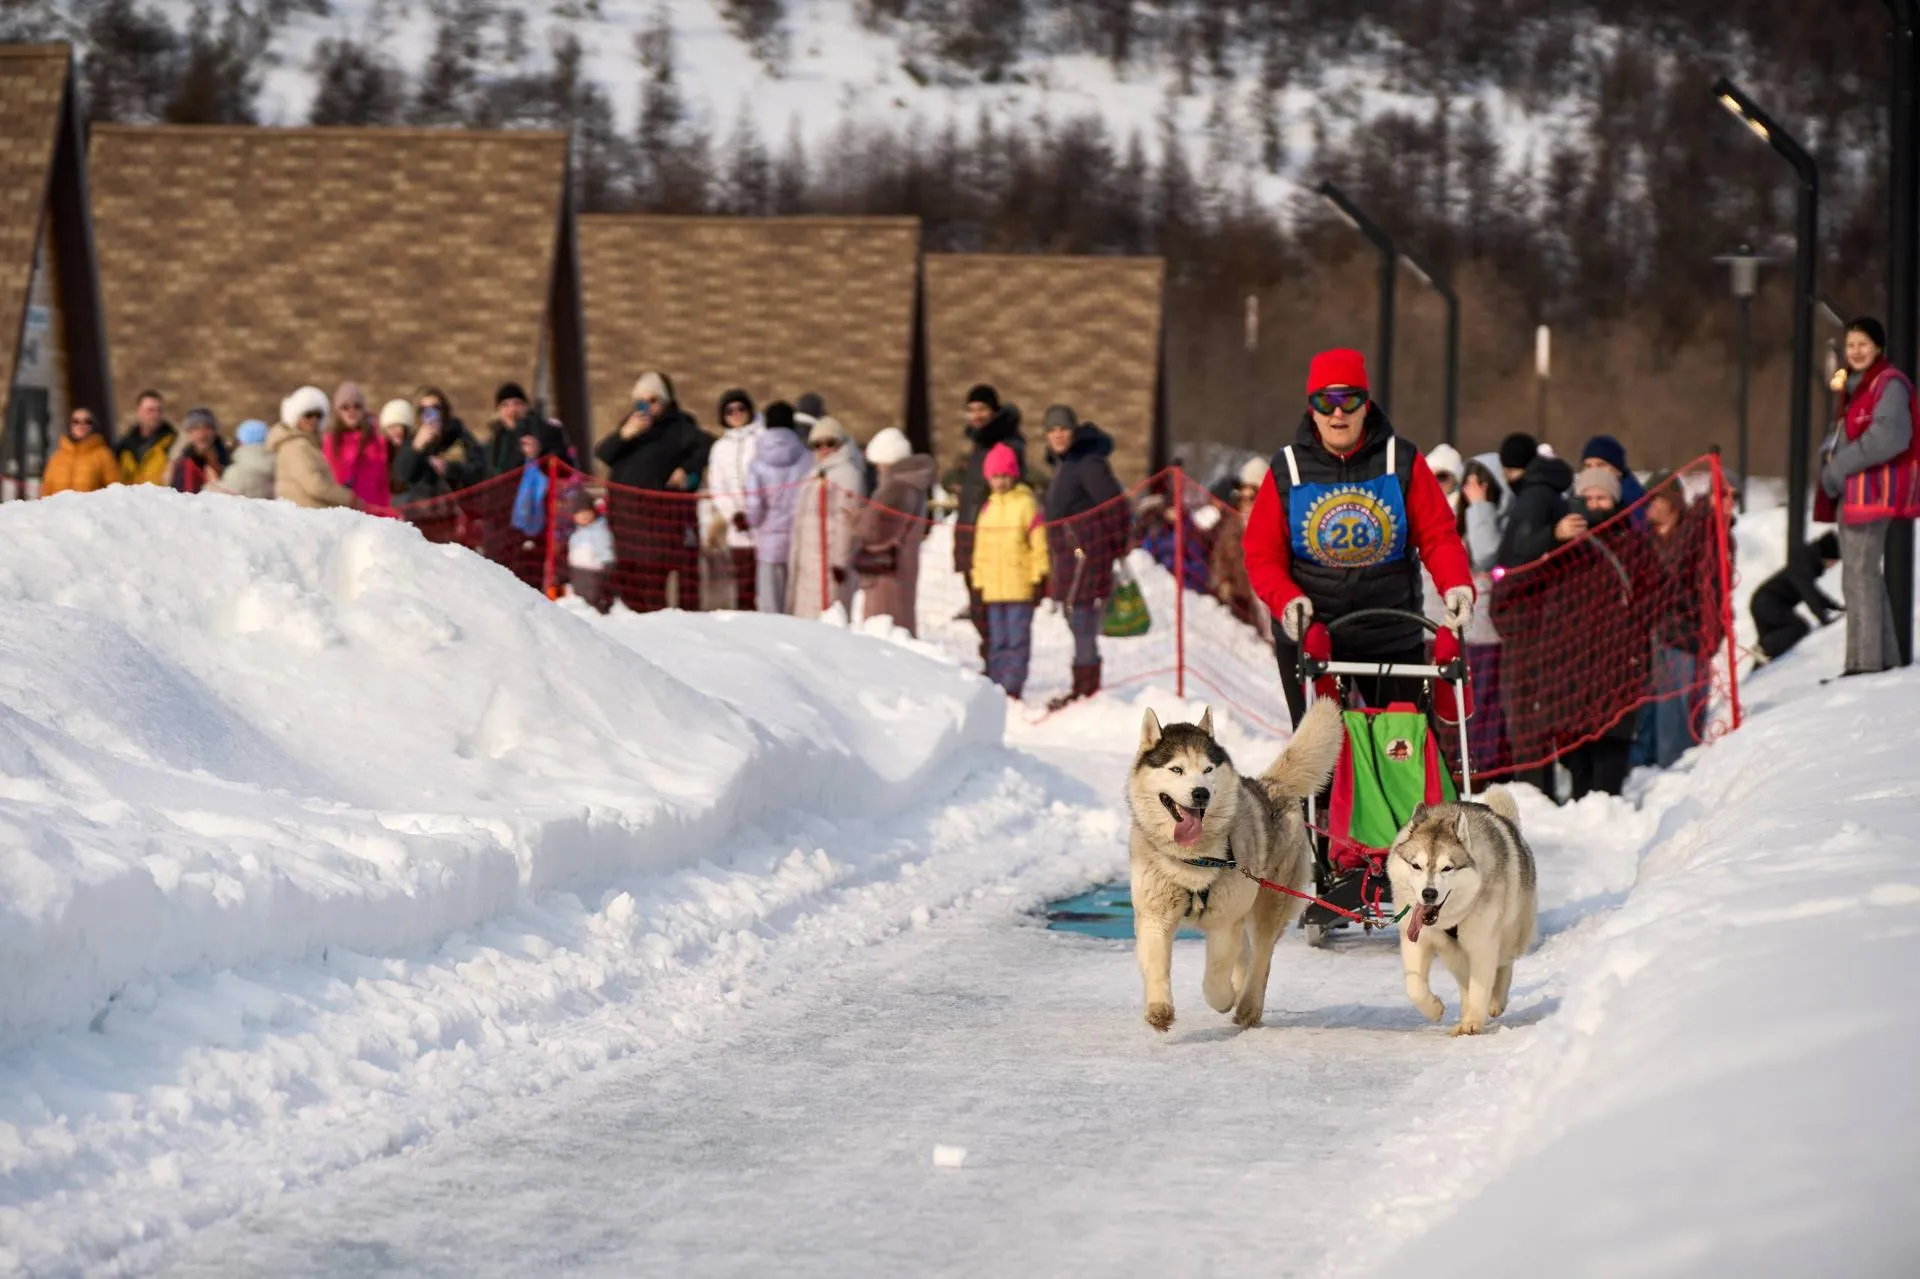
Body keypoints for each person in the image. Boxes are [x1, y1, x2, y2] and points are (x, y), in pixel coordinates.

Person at [1242, 349, 1473, 727]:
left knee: (1402, 750)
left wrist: (1457, 585)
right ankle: (1324, 789)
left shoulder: (1401, 459)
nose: (1338, 413)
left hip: (1390, 632)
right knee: (1321, 761)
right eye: (1325, 401)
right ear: (1312, 408)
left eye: (1349, 400)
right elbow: (1261, 553)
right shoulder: (1288, 468)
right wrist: (1287, 601)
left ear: (1366, 405)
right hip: (1313, 635)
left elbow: (1438, 535)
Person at [1819, 315, 1920, 676]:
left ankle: (1865, 664)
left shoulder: (1888, 384)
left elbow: (1889, 438)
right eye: (1851, 345)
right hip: (1856, 490)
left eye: (1863, 344)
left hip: (1872, 491)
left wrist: (1838, 467)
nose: (1856, 351)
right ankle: (1881, 660)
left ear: (1878, 347)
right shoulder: (1857, 386)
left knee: (1859, 575)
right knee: (1862, 576)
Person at [1552, 467, 1655, 800]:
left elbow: (1656, 596)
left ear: (1615, 500)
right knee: (1576, 758)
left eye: (1602, 497)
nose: (1594, 505)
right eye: (1588, 498)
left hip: (1618, 666)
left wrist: (1636, 646)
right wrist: (1554, 537)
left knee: (1610, 756)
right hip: (1573, 666)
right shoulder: (1565, 545)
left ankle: (1608, 821)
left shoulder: (1634, 545)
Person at [595, 372, 712, 612]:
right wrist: (624, 435)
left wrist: (686, 470)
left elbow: (708, 445)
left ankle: (656, 636)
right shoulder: (630, 427)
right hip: (626, 522)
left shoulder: (679, 426)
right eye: (641, 401)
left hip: (657, 525)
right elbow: (603, 454)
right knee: (628, 587)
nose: (646, 406)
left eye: (653, 400)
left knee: (652, 586)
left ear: (665, 401)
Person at [1040, 404, 1127, 708]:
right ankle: (1083, 684)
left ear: (1074, 432)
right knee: (1074, 614)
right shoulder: (1065, 464)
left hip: (1087, 553)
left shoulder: (1088, 462)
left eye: (1063, 429)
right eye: (1052, 430)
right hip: (1069, 554)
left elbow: (1116, 506)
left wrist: (1117, 547)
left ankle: (1086, 689)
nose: (1058, 435)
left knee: (1081, 615)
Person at [953, 384, 1026, 663]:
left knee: (992, 608)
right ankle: (993, 664)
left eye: (982, 409)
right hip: (970, 533)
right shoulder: (980, 444)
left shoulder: (1006, 444)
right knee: (978, 606)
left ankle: (1002, 667)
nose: (976, 415)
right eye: (971, 410)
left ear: (994, 411)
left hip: (993, 537)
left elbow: (1010, 495)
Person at [970, 442, 1048, 699]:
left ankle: (1013, 687)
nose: (1000, 481)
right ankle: (996, 686)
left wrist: (1039, 577)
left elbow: (1039, 545)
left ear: (1013, 475)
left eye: (1005, 475)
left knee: (1016, 641)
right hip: (993, 588)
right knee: (997, 641)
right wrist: (978, 582)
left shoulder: (1026, 505)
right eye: (995, 476)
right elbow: (980, 550)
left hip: (1019, 586)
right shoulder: (987, 509)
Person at [1456, 456, 1511, 772]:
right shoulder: (1464, 520)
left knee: (1488, 703)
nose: (1472, 490)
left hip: (1490, 632)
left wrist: (1480, 506)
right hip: (1464, 631)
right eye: (1469, 483)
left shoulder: (1494, 519)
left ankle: (1489, 765)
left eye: (1480, 483)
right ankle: (1472, 761)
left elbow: (1487, 552)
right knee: (1469, 703)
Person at [854, 426, 935, 636]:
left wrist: (856, 520)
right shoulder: (913, 485)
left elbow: (876, 530)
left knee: (883, 629)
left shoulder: (895, 488)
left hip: (886, 571)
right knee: (900, 623)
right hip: (903, 565)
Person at [787, 416, 864, 618]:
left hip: (829, 561)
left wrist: (841, 560)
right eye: (817, 444)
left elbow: (847, 521)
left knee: (829, 614)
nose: (824, 449)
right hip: (809, 560)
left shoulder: (847, 474)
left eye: (830, 443)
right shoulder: (814, 474)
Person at [745, 402, 813, 615]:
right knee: (794, 601)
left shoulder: (757, 461)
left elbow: (755, 506)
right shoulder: (805, 456)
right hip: (798, 538)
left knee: (769, 603)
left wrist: (751, 522)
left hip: (768, 541)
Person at [704, 388, 764, 611]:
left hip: (764, 524)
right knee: (743, 581)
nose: (736, 414)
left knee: (764, 581)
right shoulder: (720, 448)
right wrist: (733, 514)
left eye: (741, 408)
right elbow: (717, 485)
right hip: (737, 527)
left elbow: (771, 479)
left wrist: (756, 513)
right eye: (730, 411)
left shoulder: (762, 438)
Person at [1751, 531, 1843, 665]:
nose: (1833, 566)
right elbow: (1809, 595)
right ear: (1827, 556)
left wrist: (1835, 607)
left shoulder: (1806, 562)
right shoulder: (1804, 565)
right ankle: (1764, 648)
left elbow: (1815, 594)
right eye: (1834, 561)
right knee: (1799, 626)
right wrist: (1824, 619)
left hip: (1763, 602)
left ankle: (1758, 670)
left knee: (1770, 649)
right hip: (1768, 603)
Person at [269, 386, 362, 510]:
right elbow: (315, 486)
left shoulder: (308, 444)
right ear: (296, 416)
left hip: (309, 513)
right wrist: (349, 499)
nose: (314, 420)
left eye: (318, 415)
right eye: (308, 415)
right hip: (304, 514)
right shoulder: (296, 446)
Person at [1210, 456, 1271, 639]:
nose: (1246, 503)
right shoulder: (1233, 525)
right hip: (1243, 602)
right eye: (1242, 496)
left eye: (1252, 496)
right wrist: (1224, 581)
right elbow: (1220, 557)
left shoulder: (1277, 525)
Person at [393, 387, 479, 502]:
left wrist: (450, 469)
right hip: (423, 511)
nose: (431, 415)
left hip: (456, 508)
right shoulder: (413, 439)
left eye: (436, 408)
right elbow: (403, 474)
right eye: (424, 409)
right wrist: (416, 447)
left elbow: (479, 468)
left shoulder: (458, 435)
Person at [324, 382, 392, 509]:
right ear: (337, 411)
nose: (352, 411)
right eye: (345, 407)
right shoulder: (330, 441)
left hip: (372, 511)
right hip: (341, 511)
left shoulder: (376, 441)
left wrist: (384, 511)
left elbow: (382, 483)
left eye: (357, 406)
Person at [40, 406, 119, 496]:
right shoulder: (57, 456)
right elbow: (46, 490)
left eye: (87, 421)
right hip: (60, 509)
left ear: (93, 425)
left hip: (89, 509)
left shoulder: (104, 455)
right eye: (76, 421)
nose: (81, 425)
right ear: (70, 425)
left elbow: (114, 491)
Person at [566, 488, 615, 613]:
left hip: (595, 572)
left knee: (594, 601)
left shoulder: (600, 531)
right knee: (581, 601)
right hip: (578, 572)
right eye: (579, 513)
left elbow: (605, 549)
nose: (583, 516)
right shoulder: (576, 533)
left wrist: (607, 565)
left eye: (586, 512)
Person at [474, 382, 535, 481]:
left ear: (526, 407)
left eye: (517, 403)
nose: (512, 410)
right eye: (505, 405)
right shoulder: (491, 444)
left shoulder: (538, 435)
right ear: (498, 411)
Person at [117, 389, 176, 486]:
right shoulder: (123, 447)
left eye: (159, 410)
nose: (155, 415)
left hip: (161, 498)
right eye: (150, 410)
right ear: (139, 411)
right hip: (129, 499)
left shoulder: (174, 443)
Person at [166, 407, 229, 492]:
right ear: (189, 433)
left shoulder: (225, 457)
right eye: (196, 428)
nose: (202, 433)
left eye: (207, 427)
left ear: (214, 431)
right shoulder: (181, 461)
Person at [1579, 434, 1647, 511]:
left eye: (1601, 465)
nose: (1594, 471)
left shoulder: (1635, 503)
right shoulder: (1577, 498)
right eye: (1588, 466)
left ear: (1618, 470)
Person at [213, 420, 275, 498]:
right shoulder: (282, 466)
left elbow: (220, 499)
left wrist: (212, 484)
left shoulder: (236, 472)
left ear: (241, 441)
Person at [378, 399, 415, 502]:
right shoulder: (380, 451)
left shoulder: (414, 450)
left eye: (401, 426)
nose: (397, 431)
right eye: (392, 427)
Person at [1426, 443, 1465, 513]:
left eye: (1441, 476)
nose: (1434, 482)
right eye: (1429, 476)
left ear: (1456, 480)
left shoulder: (1466, 510)